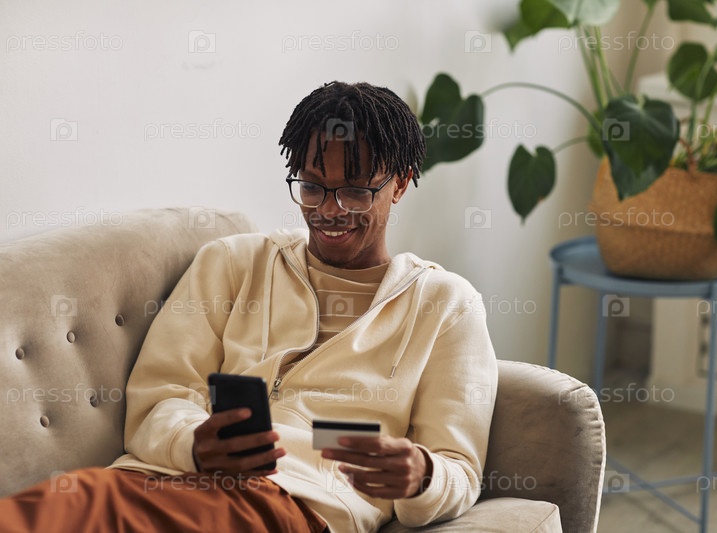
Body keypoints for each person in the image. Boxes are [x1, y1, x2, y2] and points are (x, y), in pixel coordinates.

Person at [0, 81, 498, 533]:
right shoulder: (233, 263)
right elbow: (161, 394)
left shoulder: (446, 305)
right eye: (312, 186)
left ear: (401, 183)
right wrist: (193, 444)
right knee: (63, 505)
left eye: (354, 190)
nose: (329, 210)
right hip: (157, 480)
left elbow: (459, 467)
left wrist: (422, 476)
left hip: (290, 504)